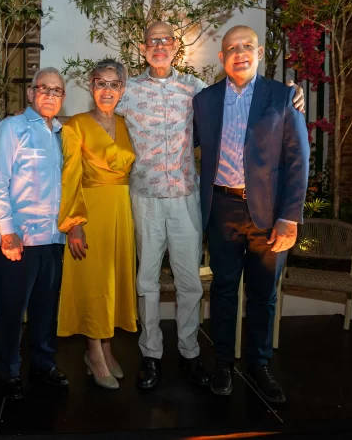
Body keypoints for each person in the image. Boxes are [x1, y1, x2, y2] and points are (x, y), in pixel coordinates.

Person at [116, 21, 305, 390]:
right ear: (142, 48)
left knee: (193, 284)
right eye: (152, 41)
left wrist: (293, 92)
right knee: (148, 281)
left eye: (166, 40)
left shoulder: (196, 90)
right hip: (148, 197)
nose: (159, 46)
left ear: (175, 47)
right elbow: (102, 107)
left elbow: (288, 145)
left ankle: (191, 352)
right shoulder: (129, 91)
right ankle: (151, 354)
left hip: (190, 197)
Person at [193, 25, 310, 403]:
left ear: (259, 52)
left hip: (270, 214)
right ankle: (224, 363)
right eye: (231, 48)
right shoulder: (204, 100)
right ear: (221, 58)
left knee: (264, 294)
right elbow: (177, 138)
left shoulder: (284, 96)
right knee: (224, 290)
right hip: (221, 208)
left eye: (247, 46)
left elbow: (299, 159)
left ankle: (259, 365)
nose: (239, 52)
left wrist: (290, 217)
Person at [0, 67, 69, 401]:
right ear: (31, 93)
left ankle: (42, 361)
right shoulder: (12, 128)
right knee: (10, 309)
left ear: (63, 98)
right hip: (17, 239)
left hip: (53, 237)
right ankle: (6, 369)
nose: (50, 95)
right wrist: (7, 231)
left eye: (57, 90)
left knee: (46, 307)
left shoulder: (63, 134)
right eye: (44, 88)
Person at [58, 59, 137, 390]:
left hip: (121, 211)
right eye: (100, 83)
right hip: (91, 212)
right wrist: (74, 223)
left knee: (115, 281)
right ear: (91, 87)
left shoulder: (125, 123)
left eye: (113, 84)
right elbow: (70, 176)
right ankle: (93, 352)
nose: (107, 89)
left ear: (122, 89)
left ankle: (106, 345)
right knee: (94, 284)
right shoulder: (76, 125)